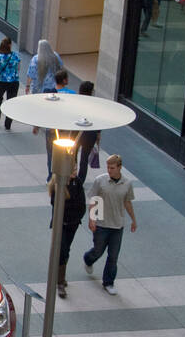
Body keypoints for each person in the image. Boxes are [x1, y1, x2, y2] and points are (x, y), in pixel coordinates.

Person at [82, 154, 136, 296]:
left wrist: (133, 220)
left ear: (119, 168)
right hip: (101, 223)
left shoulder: (127, 184)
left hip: (117, 225)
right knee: (98, 250)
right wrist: (92, 219)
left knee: (113, 256)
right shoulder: (100, 181)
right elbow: (93, 199)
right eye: (108, 167)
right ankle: (88, 258)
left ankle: (108, 282)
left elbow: (127, 202)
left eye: (112, 167)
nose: (109, 170)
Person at [48, 170, 86, 298]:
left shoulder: (77, 182)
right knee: (62, 250)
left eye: (76, 169)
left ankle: (59, 274)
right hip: (61, 223)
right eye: (73, 170)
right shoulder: (57, 184)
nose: (75, 172)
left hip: (73, 223)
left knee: (66, 250)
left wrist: (77, 216)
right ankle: (60, 281)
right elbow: (56, 203)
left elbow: (81, 202)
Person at [0, 36, 20, 129]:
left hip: (1, 82)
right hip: (14, 82)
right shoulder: (16, 56)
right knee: (11, 102)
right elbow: (18, 69)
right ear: (10, 45)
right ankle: (8, 124)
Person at [75, 81, 101, 180]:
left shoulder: (77, 102)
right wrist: (98, 133)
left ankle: (72, 175)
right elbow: (97, 119)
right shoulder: (95, 104)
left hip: (76, 131)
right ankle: (80, 180)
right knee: (84, 158)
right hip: (90, 133)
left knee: (73, 155)